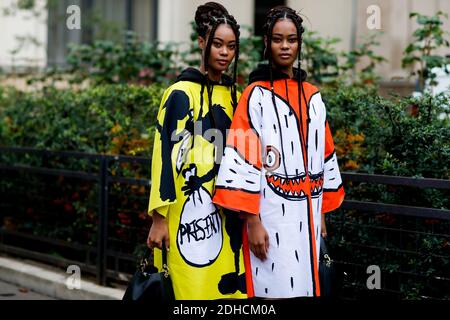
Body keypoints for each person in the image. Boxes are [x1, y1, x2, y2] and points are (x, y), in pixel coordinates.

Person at [212, 6, 345, 298]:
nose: (285, 46)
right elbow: (243, 159)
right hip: (269, 215)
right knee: (271, 290)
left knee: (307, 287)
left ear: (299, 43)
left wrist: (321, 213)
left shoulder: (313, 95)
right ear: (266, 43)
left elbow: (324, 154)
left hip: (308, 214)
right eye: (277, 39)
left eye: (292, 39)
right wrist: (252, 221)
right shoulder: (254, 95)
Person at [147, 2, 247, 300]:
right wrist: (158, 218)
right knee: (188, 292)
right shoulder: (180, 93)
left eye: (231, 46)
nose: (225, 53)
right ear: (202, 42)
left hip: (228, 214)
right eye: (217, 44)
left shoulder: (236, 96)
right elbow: (162, 157)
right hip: (187, 217)